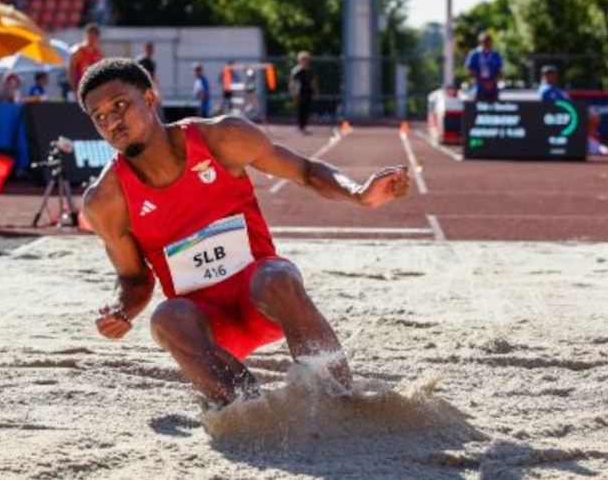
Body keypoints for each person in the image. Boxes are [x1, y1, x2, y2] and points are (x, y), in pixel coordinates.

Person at [77, 58, 411, 407]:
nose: (112, 121)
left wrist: (358, 193)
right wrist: (120, 309)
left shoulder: (221, 138)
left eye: (119, 105)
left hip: (263, 298)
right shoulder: (105, 200)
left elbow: (306, 171)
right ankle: (247, 409)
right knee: (165, 319)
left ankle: (340, 399)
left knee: (276, 275)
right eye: (99, 117)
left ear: (149, 98)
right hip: (206, 323)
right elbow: (133, 278)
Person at [538, 64, 606, 155]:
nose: (552, 76)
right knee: (591, 119)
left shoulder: (555, 88)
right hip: (560, 116)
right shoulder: (546, 90)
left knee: (593, 118)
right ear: (544, 76)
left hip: (570, 111)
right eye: (549, 74)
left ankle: (593, 145)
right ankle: (592, 147)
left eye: (553, 74)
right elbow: (556, 105)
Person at [464, 32, 502, 102]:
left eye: (489, 41)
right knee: (476, 101)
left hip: (492, 84)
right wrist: (479, 81)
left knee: (494, 102)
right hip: (479, 84)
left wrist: (492, 81)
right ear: (480, 42)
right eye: (485, 42)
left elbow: (499, 70)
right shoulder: (474, 54)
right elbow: (469, 70)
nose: (487, 44)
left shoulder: (495, 54)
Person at [68, 23, 103, 95]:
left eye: (94, 35)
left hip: (92, 87)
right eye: (90, 34)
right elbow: (71, 71)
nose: (92, 37)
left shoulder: (98, 52)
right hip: (79, 86)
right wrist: (74, 89)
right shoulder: (78, 51)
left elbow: (99, 71)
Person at [289, 51, 318, 134]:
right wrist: (293, 92)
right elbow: (292, 82)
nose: (305, 61)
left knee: (307, 109)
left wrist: (315, 91)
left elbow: (313, 82)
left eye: (306, 60)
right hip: (300, 92)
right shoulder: (296, 71)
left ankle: (304, 125)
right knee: (300, 109)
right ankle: (300, 126)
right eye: (303, 60)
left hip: (308, 91)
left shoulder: (310, 70)